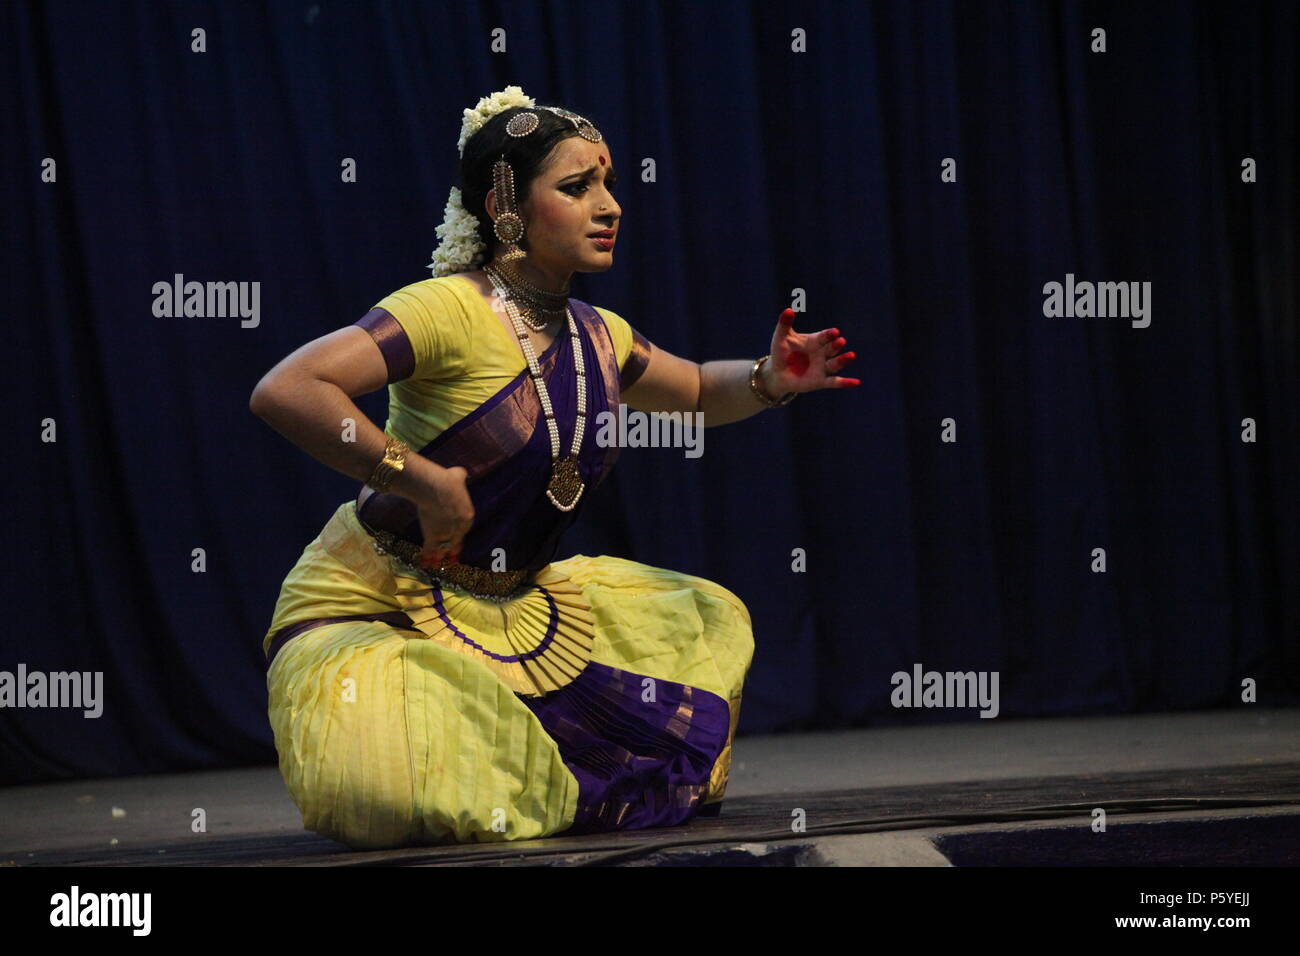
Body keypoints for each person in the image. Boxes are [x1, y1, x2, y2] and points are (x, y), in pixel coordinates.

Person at [249, 86, 860, 849]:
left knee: (707, 620)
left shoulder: (600, 333)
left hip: (517, 607)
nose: (610, 206)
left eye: (607, 183)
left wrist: (771, 380)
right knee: (381, 787)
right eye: (578, 187)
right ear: (506, 208)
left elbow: (700, 389)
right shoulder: (445, 309)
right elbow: (288, 390)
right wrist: (419, 478)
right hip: (382, 604)